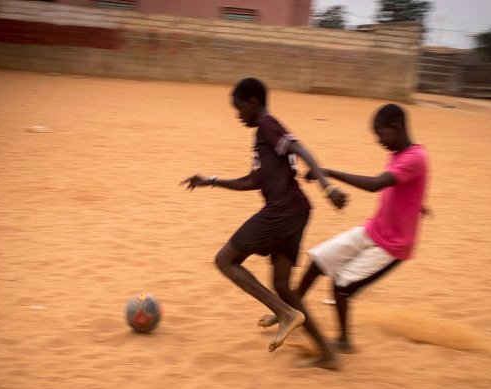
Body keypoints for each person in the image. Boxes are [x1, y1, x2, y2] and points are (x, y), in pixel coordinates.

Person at [181, 77, 347, 370]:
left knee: (225, 260)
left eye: (239, 108)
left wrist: (327, 187)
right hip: (297, 211)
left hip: (282, 211)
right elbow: (252, 180)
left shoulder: (268, 124)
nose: (237, 115)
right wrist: (211, 181)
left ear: (253, 102)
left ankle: (284, 314)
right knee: (282, 285)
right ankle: (327, 354)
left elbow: (301, 149)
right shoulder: (262, 135)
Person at [259, 103, 429, 353]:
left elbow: (376, 184)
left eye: (381, 134)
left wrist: (327, 172)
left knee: (341, 286)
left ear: (396, 127)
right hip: (374, 230)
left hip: (392, 246)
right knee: (317, 260)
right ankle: (290, 311)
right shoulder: (400, 153)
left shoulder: (414, 157)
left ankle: (344, 341)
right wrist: (418, 205)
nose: (379, 141)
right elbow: (406, 187)